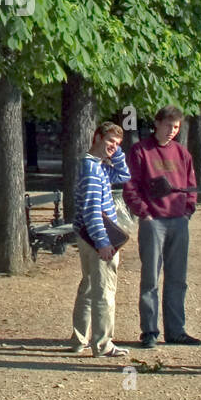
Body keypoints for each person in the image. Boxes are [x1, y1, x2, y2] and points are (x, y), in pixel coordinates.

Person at [124, 105, 199, 347]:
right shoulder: (140, 151)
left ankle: (176, 330)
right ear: (157, 123)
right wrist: (143, 213)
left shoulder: (182, 153)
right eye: (168, 125)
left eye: (176, 127)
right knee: (150, 279)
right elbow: (130, 185)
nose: (171, 131)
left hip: (178, 221)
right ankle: (149, 330)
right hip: (153, 222)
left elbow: (190, 185)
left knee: (177, 278)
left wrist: (188, 211)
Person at [69, 122, 131, 359]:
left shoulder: (96, 165)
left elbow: (124, 174)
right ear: (97, 138)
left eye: (116, 145)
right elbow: (92, 210)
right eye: (109, 142)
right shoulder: (93, 170)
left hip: (88, 235)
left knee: (88, 286)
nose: (113, 148)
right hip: (97, 237)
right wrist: (103, 242)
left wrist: (118, 152)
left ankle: (79, 338)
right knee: (104, 290)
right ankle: (103, 344)